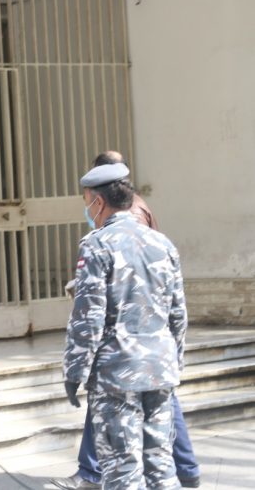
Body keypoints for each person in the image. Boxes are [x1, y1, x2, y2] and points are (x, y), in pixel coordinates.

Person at [52, 153, 200, 490]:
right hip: (159, 369)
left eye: (87, 202)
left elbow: (88, 318)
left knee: (122, 468)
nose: (88, 209)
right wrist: (173, 360)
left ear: (98, 202)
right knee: (161, 464)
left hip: (116, 372)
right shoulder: (163, 244)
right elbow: (178, 313)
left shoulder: (97, 245)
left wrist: (74, 372)